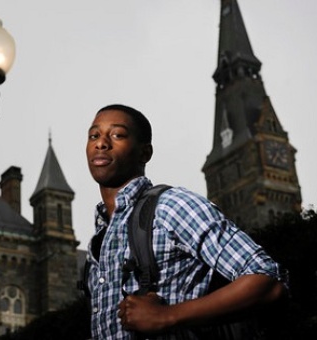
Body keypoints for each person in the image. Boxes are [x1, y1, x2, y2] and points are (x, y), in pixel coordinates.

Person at [85, 104, 286, 339]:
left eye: (117, 135)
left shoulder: (170, 206)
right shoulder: (98, 244)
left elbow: (268, 280)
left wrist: (167, 315)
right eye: (94, 135)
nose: (101, 143)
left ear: (145, 153)